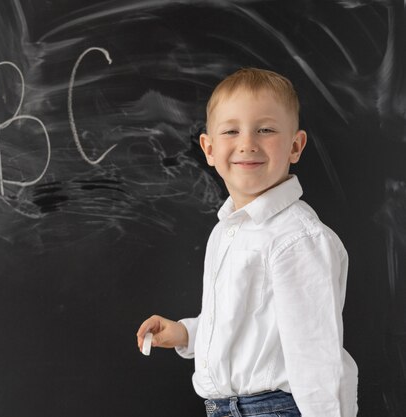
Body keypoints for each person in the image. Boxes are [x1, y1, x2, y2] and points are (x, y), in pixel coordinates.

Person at [136, 68, 358, 417]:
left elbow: (315, 353)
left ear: (295, 146)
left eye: (265, 129)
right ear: (209, 149)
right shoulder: (227, 231)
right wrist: (183, 334)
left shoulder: (297, 239)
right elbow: (238, 326)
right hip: (227, 408)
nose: (247, 143)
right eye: (231, 131)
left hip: (275, 409)